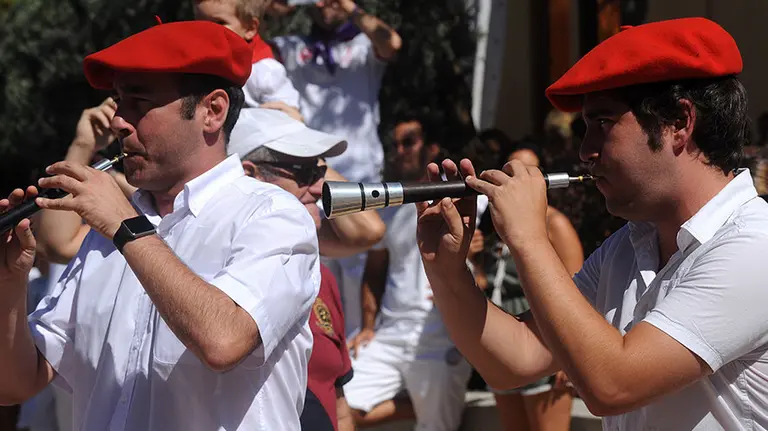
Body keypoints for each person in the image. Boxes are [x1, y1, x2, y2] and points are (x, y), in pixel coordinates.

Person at [415, 17, 768, 430]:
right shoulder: (629, 246)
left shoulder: (753, 247)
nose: (585, 151)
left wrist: (529, 238)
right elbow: (516, 360)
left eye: (603, 123)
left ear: (679, 124)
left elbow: (612, 386)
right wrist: (446, 270)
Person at [0, 20, 320, 431]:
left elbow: (224, 340)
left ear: (212, 111)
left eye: (139, 102)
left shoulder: (272, 214)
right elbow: (16, 383)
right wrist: (9, 281)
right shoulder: (108, 234)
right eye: (118, 100)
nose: (119, 122)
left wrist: (125, 225)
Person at [227, 106, 386, 431]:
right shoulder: (204, 269)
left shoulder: (320, 276)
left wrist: (308, 152)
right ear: (249, 174)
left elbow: (339, 408)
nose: (320, 188)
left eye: (320, 172)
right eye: (304, 173)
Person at [343, 118, 472, 430]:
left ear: (431, 147)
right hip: (390, 333)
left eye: (409, 142)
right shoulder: (386, 205)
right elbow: (374, 272)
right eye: (395, 145)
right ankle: (420, 404)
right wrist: (367, 326)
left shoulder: (463, 201)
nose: (399, 151)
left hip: (439, 338)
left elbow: (485, 264)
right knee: (342, 403)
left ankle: (431, 404)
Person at [473, 139, 582, 431]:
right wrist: (473, 260)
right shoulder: (495, 226)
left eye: (528, 171)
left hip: (544, 340)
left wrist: (567, 360)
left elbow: (579, 293)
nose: (518, 179)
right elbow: (489, 285)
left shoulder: (554, 223)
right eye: (511, 171)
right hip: (505, 341)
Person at [193, 0, 302, 118]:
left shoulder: (264, 70)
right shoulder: (197, 62)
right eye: (200, 22)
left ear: (250, 28)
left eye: (220, 22)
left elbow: (287, 113)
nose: (207, 30)